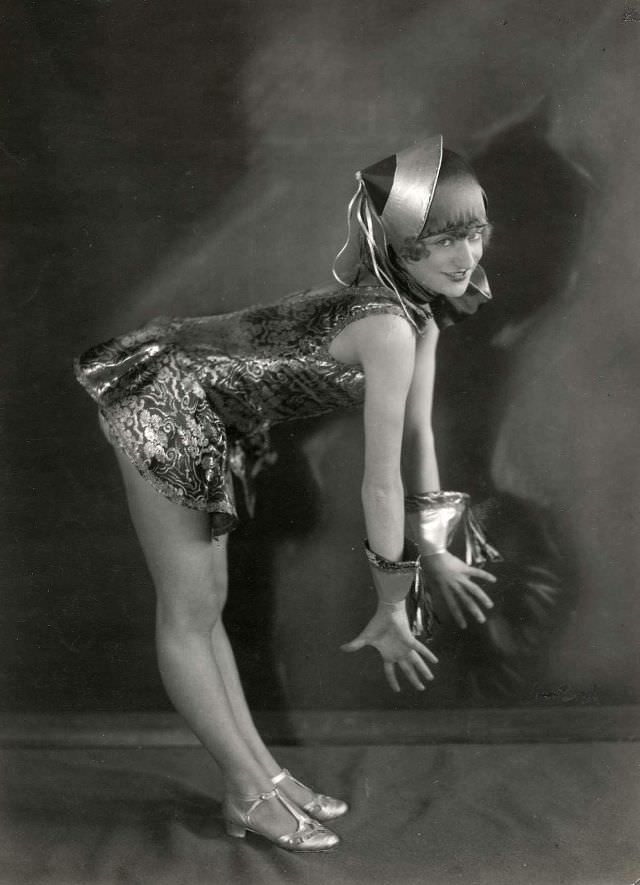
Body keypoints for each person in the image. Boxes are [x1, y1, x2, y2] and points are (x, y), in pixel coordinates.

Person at [74, 134, 500, 852]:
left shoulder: (421, 314)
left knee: (207, 606)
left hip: (215, 411)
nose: (465, 256)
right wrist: (394, 599)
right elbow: (379, 477)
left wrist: (439, 546)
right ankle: (247, 792)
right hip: (167, 396)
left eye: (474, 231)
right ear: (398, 245)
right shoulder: (390, 327)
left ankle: (263, 778)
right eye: (440, 240)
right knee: (190, 609)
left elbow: (420, 435)